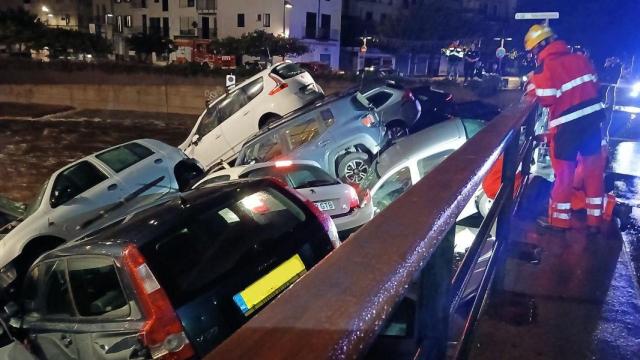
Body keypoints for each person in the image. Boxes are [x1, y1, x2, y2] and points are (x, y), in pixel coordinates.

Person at [523, 24, 606, 232]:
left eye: (533, 50)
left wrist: (532, 82)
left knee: (564, 175)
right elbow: (595, 86)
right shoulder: (581, 58)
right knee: (593, 172)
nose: (534, 55)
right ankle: (595, 222)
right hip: (592, 123)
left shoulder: (544, 69)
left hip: (567, 128)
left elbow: (547, 99)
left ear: (540, 46)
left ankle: (559, 222)